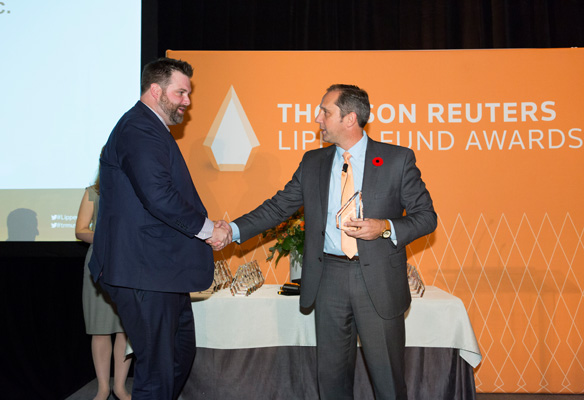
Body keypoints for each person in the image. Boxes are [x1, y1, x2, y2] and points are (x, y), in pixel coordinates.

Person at [212, 84, 437, 400]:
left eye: (325, 112)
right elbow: (278, 207)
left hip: (378, 281)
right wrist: (233, 230)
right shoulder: (313, 162)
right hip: (329, 279)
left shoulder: (396, 160)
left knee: (388, 381)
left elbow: (426, 217)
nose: (317, 118)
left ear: (350, 118)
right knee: (331, 381)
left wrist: (385, 227)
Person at [88, 57, 232, 400]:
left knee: (178, 356)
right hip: (142, 272)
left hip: (161, 273)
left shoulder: (149, 128)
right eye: (180, 92)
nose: (187, 101)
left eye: (188, 93)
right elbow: (159, 197)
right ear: (155, 90)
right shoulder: (138, 128)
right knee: (158, 370)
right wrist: (208, 229)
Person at [75, 172, 131, 400]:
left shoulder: (135, 191)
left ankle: (120, 388)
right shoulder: (94, 192)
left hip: (128, 262)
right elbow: (80, 229)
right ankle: (103, 389)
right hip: (99, 263)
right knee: (99, 328)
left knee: (125, 329)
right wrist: (103, 238)